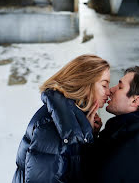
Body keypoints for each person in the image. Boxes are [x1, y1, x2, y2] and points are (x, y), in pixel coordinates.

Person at [12, 54, 110, 183]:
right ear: (84, 83)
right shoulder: (54, 123)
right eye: (104, 85)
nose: (108, 92)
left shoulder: (68, 118)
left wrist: (88, 133)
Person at [85, 66, 139, 183]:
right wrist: (92, 136)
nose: (111, 90)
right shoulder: (120, 134)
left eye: (120, 87)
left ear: (135, 101)